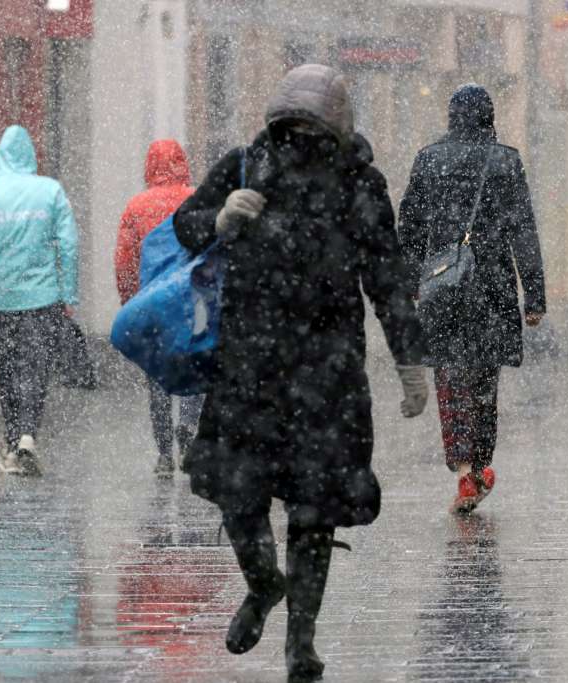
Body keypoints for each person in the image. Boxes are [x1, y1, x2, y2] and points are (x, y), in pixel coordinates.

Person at [172, 64, 426, 682]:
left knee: (314, 511)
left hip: (327, 377)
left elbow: (386, 276)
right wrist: (220, 217)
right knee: (240, 493)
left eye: (312, 132)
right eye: (292, 130)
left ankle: (300, 643)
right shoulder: (244, 166)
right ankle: (263, 584)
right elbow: (184, 226)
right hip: (250, 368)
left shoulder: (360, 183)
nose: (301, 142)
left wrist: (409, 360)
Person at [398, 84, 546, 514]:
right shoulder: (506, 161)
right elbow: (523, 230)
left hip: (443, 283)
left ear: (452, 117)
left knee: (449, 377)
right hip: (493, 284)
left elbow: (410, 227)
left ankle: (464, 468)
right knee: (484, 379)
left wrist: (408, 281)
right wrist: (534, 293)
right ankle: (480, 465)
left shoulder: (429, 159)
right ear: (489, 117)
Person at [0, 125, 79, 476]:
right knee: (36, 369)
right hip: (44, 299)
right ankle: (27, 435)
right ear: (30, 155)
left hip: (0, 299)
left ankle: (13, 441)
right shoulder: (51, 191)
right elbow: (69, 245)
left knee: (8, 372)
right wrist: (68, 292)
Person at [115, 139, 203, 476]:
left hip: (152, 300)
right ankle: (189, 427)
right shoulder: (197, 199)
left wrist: (129, 299)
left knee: (157, 375)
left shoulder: (136, 206)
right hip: (190, 298)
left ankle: (164, 454)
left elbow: (125, 259)